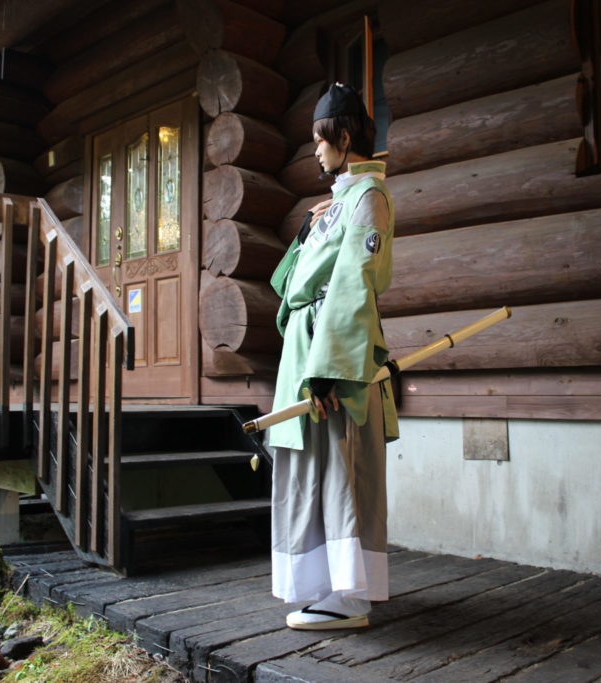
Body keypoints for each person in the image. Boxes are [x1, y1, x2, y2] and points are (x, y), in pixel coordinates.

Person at [267, 82, 399, 630]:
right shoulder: (338, 202)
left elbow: (353, 283)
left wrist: (327, 370)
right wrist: (305, 229)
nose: (315, 152)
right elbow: (285, 285)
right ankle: (320, 585)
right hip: (308, 350)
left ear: (343, 137)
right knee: (309, 471)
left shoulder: (368, 199)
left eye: (320, 141)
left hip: (333, 356)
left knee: (344, 471)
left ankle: (351, 597)